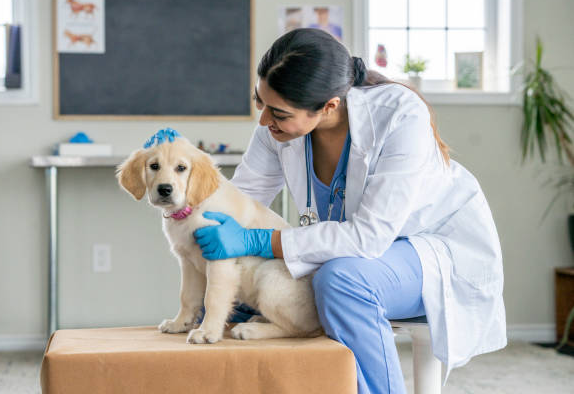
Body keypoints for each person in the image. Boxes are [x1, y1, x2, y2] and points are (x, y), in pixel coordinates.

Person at [193, 28, 507, 393]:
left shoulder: (400, 115)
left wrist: (261, 240)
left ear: (330, 105)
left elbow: (368, 237)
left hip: (432, 248)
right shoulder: (276, 128)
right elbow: (240, 199)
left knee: (341, 281)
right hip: (355, 253)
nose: (264, 121)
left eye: (277, 112)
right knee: (228, 300)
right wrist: (189, 206)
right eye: (260, 103)